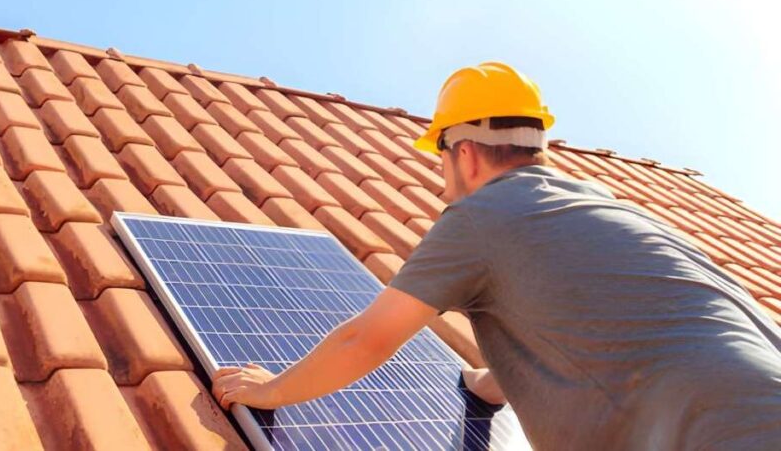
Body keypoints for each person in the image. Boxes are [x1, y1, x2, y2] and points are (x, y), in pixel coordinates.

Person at [211, 62, 781, 449]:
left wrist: (269, 390)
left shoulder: (483, 216)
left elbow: (366, 340)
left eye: (440, 160)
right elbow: (592, 332)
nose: (443, 181)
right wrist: (490, 381)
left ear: (464, 152)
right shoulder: (596, 208)